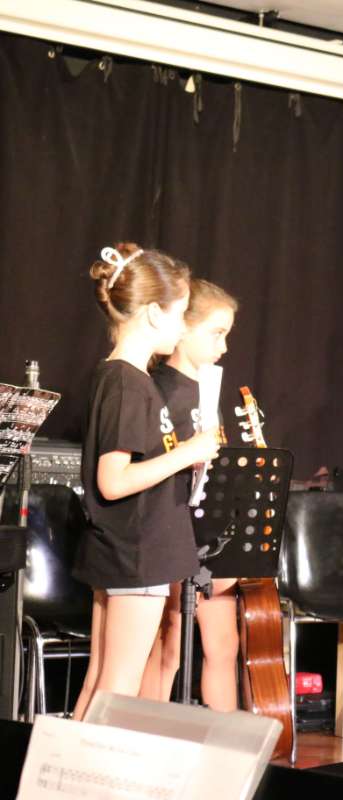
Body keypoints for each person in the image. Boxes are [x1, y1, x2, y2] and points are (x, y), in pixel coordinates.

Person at [72, 243, 221, 719]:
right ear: (155, 314)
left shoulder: (122, 377)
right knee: (117, 686)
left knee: (102, 682)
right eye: (180, 315)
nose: (182, 328)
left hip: (130, 547)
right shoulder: (127, 383)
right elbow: (112, 481)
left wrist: (183, 459)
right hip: (136, 550)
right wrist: (188, 454)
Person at [139, 279, 240, 709]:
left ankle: (225, 740)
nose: (224, 346)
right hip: (170, 529)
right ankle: (147, 735)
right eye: (216, 333)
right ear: (184, 328)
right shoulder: (159, 387)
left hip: (209, 532)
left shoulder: (208, 388)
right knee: (170, 646)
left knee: (224, 645)